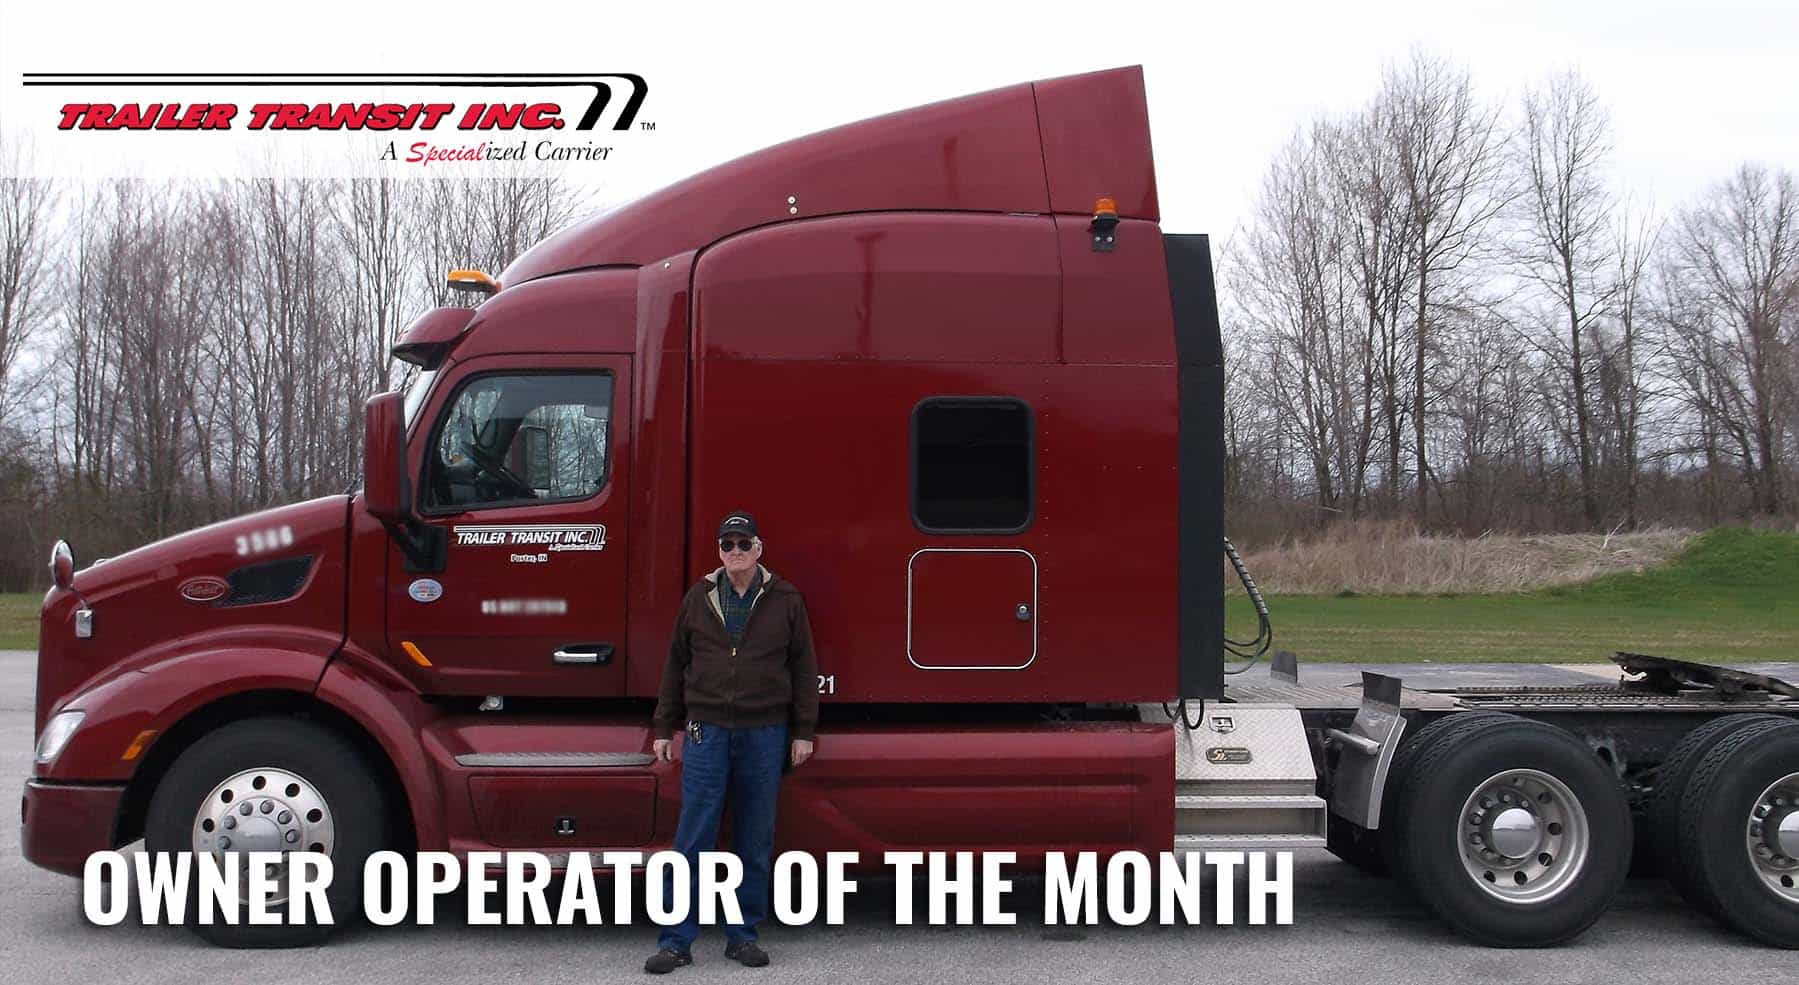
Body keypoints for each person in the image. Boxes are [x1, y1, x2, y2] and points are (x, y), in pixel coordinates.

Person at [644, 511, 819, 974]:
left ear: (759, 548)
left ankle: (742, 937)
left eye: (744, 544)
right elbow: (674, 665)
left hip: (766, 731)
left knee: (754, 837)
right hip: (707, 730)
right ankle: (675, 941)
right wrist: (664, 726)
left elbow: (803, 668)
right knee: (693, 837)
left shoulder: (785, 599)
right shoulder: (699, 598)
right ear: (719, 551)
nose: (736, 552)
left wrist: (803, 730)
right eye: (728, 545)